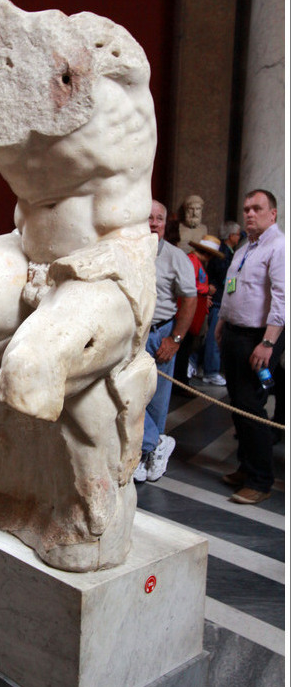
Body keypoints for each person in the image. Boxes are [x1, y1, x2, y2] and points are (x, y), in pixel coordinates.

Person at [215, 189, 285, 505]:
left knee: (251, 409)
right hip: (234, 333)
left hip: (257, 338)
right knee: (239, 407)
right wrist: (220, 324)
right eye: (246, 209)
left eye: (257, 208)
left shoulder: (279, 247)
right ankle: (246, 467)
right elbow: (234, 291)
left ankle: (260, 480)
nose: (250, 214)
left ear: (273, 213)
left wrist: (268, 342)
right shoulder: (247, 247)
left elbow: (282, 300)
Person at [134, 200, 197, 483]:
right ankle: (152, 443)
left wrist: (175, 339)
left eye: (159, 219)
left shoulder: (176, 257)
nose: (153, 223)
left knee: (156, 400)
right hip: (131, 332)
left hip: (160, 333)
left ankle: (149, 453)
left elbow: (190, 299)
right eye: (148, 218)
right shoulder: (128, 251)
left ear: (164, 224)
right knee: (130, 395)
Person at [173, 235, 224, 390]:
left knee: (187, 347)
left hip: (197, 309)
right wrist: (206, 290)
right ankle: (180, 383)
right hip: (188, 310)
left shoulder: (197, 262)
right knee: (183, 347)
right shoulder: (192, 261)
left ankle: (182, 381)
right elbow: (190, 285)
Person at [200, 221, 241, 385]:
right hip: (218, 299)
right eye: (237, 234)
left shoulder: (230, 251)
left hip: (223, 298)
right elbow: (227, 278)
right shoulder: (223, 254)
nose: (239, 237)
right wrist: (232, 292)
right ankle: (210, 371)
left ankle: (196, 360)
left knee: (214, 336)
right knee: (213, 337)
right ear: (231, 236)